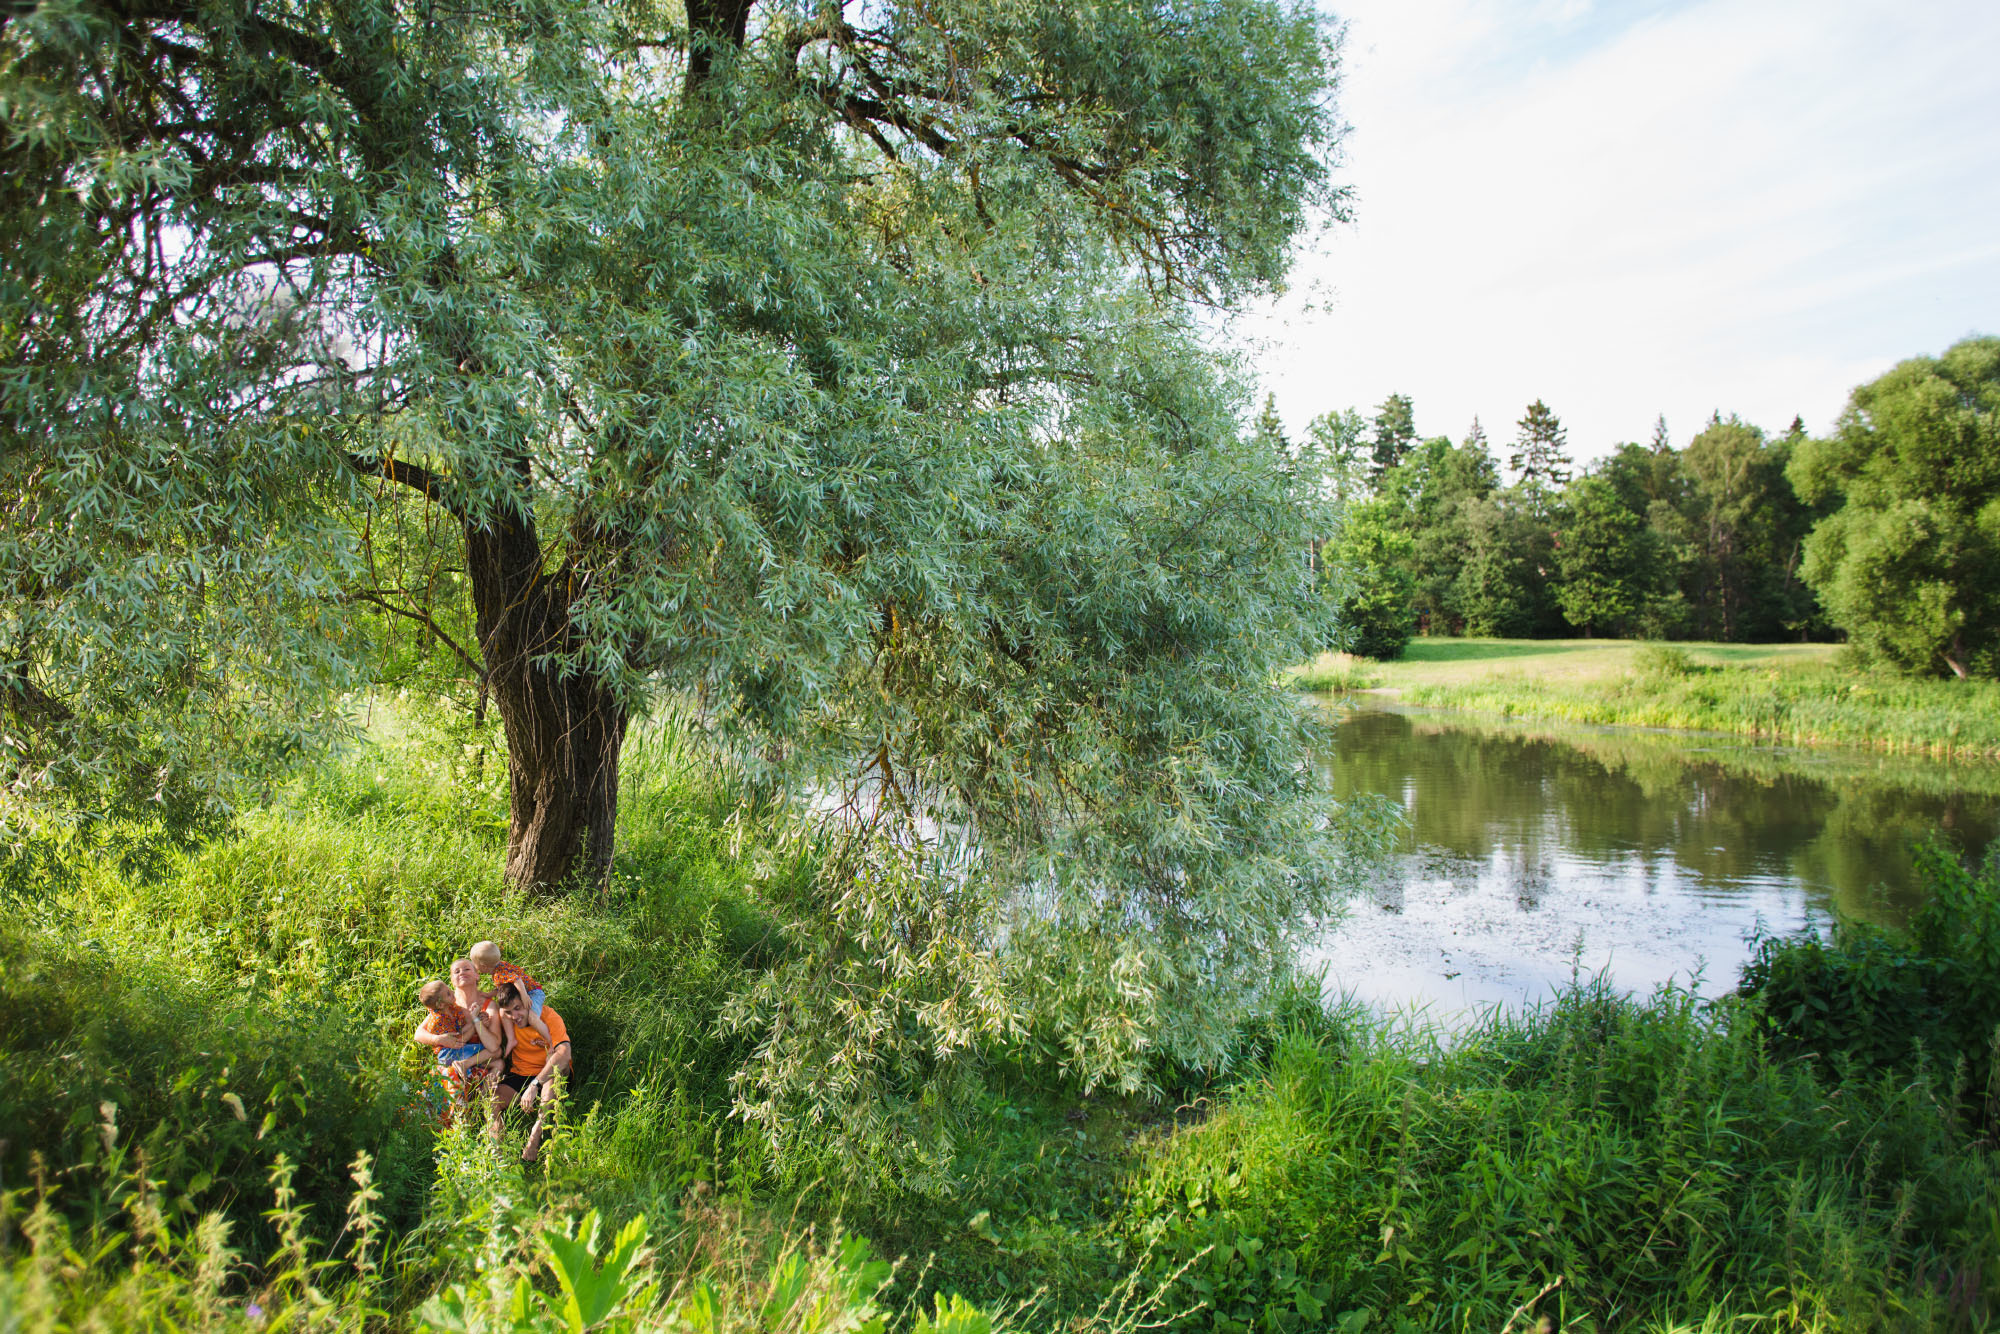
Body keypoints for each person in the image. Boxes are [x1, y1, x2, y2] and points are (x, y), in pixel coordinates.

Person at [489, 981, 571, 1163]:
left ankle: (535, 1137)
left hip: (548, 1073)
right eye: (509, 1012)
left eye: (518, 1008)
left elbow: (565, 1054)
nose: (515, 1016)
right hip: (521, 1073)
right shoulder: (508, 1021)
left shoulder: (549, 1016)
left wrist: (535, 1085)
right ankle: (498, 1151)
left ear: (528, 1003)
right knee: (492, 1098)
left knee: (554, 1069)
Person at [411, 980, 498, 1123]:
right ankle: (462, 1114)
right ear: (440, 1004)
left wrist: (478, 1020)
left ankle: (476, 1102)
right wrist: (476, 1024)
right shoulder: (438, 1018)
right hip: (449, 1053)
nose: (451, 992)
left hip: (460, 1050)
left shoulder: (452, 1007)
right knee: (492, 1050)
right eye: (448, 993)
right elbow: (459, 1040)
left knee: (495, 1054)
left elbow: (462, 1031)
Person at [469, 940, 551, 1046]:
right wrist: (489, 994)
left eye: (474, 964)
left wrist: (524, 996)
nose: (474, 966)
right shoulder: (499, 967)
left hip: (533, 992)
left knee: (532, 1018)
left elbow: (517, 980)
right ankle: (511, 1039)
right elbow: (502, 986)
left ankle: (551, 1042)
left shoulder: (499, 973)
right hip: (524, 992)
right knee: (503, 1011)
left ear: (484, 966)